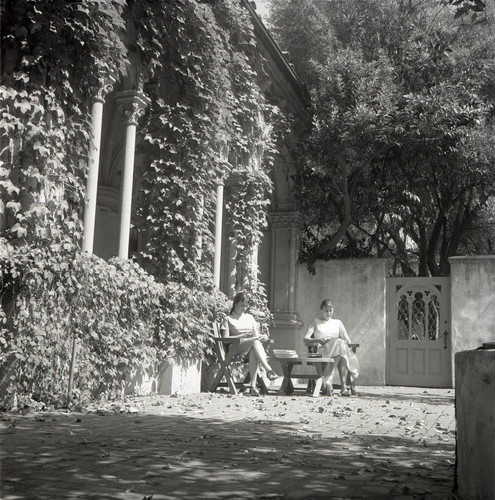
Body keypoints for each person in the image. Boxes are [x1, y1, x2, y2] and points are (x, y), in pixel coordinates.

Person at [221, 291, 278, 396]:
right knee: (254, 342)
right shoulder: (228, 319)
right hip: (235, 348)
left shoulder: (249, 318)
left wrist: (262, 337)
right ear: (235, 303)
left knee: (254, 349)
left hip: (250, 345)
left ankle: (252, 386)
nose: (244, 308)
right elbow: (225, 339)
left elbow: (255, 335)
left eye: (246, 306)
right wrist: (240, 336)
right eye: (242, 305)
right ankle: (268, 369)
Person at [304, 298, 359, 396]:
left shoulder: (337, 322)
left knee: (341, 350)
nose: (328, 313)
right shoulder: (316, 322)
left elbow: (347, 339)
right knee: (340, 346)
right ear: (321, 310)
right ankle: (340, 386)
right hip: (322, 351)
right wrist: (317, 340)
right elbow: (306, 339)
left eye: (331, 311)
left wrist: (347, 346)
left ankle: (336, 383)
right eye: (326, 311)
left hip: (337, 349)